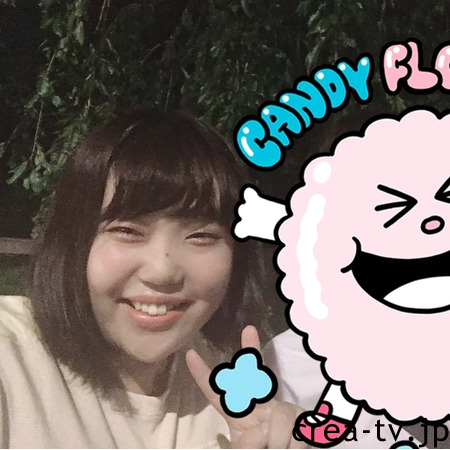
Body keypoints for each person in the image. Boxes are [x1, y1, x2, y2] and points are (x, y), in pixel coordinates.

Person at [0, 110, 304, 448]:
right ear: (72, 240)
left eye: (202, 236)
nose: (162, 272)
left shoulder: (234, 393)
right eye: (127, 231)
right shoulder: (11, 360)